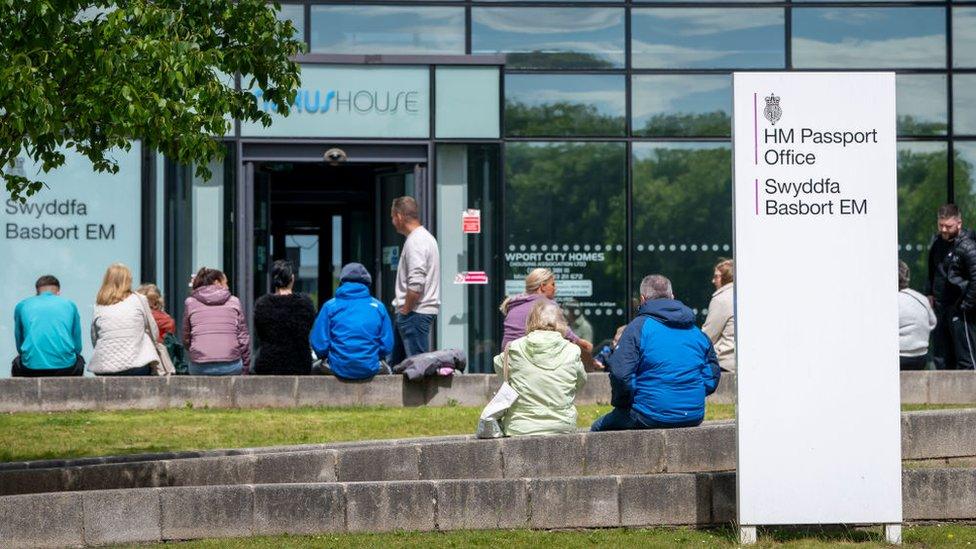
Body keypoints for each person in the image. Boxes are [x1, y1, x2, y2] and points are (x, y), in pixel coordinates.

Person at [591, 274, 721, 431]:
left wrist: (624, 403)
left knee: (597, 428)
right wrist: (691, 394)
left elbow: (621, 374)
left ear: (643, 299)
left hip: (647, 414)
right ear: (672, 297)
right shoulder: (697, 332)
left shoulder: (638, 328)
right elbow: (712, 375)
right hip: (694, 414)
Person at [493, 300, 587, 436]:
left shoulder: (513, 348)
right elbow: (581, 381)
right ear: (561, 322)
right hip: (562, 426)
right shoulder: (572, 351)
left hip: (520, 427)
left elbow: (502, 374)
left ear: (531, 320)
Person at [310, 263, 394, 380]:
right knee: (389, 370)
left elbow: (319, 345)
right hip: (370, 367)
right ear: (367, 284)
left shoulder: (330, 306)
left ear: (342, 282)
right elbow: (387, 346)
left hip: (337, 366)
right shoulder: (378, 307)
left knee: (312, 368)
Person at [389, 196, 440, 365]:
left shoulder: (416, 241)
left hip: (415, 313)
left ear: (400, 216)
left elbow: (416, 283)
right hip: (415, 312)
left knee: (417, 367)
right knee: (399, 366)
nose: (392, 222)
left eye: (392, 217)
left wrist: (405, 310)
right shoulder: (425, 238)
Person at [926, 203, 976, 370]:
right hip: (941, 309)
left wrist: (965, 305)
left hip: (960, 310)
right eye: (941, 225)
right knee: (941, 358)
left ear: (959, 223)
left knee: (965, 359)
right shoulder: (936, 243)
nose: (944, 230)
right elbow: (932, 270)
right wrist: (929, 294)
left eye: (948, 226)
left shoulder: (968, 245)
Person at [500, 268, 593, 356]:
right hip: (528, 359)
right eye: (553, 284)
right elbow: (563, 331)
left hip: (509, 359)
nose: (555, 288)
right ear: (542, 286)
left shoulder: (514, 304)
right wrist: (579, 341)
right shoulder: (546, 305)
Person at [88, 263, 159, 376]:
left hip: (105, 368)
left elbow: (94, 337)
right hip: (137, 366)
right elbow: (154, 332)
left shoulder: (99, 305)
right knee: (144, 335)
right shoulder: (139, 299)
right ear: (128, 280)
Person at [182, 267, 250, 375]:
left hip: (200, 366)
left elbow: (186, 338)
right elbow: (243, 339)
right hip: (231, 365)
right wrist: (245, 368)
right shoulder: (234, 301)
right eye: (226, 283)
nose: (228, 287)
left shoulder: (190, 302)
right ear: (217, 282)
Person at [11, 275, 84, 377]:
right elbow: (77, 347)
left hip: (31, 368)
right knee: (79, 360)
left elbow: (20, 345)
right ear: (58, 292)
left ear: (37, 293)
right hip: (66, 368)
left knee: (17, 363)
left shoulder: (22, 305)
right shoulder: (70, 305)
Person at [253, 260, 317, 375]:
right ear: (292, 278)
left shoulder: (263, 304)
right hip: (300, 364)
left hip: (268, 363)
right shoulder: (306, 304)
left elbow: (260, 334)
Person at [900, 260, 937, 370]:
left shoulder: (890, 300)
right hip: (921, 357)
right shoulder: (922, 298)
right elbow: (933, 323)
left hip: (899, 357)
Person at [702, 258, 736, 372]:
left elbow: (708, 335)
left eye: (716, 276)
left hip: (724, 363)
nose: (713, 280)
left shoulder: (722, 299)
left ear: (728, 276)